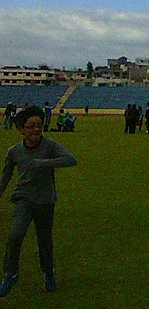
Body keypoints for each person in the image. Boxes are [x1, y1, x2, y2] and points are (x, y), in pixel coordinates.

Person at [0, 106, 77, 297]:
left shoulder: (49, 145)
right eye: (31, 126)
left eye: (39, 126)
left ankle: (48, 272)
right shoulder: (14, 151)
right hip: (23, 199)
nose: (36, 130)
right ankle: (11, 273)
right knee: (16, 235)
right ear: (21, 129)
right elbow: (5, 176)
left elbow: (70, 159)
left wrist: (45, 163)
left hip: (45, 200)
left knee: (45, 241)